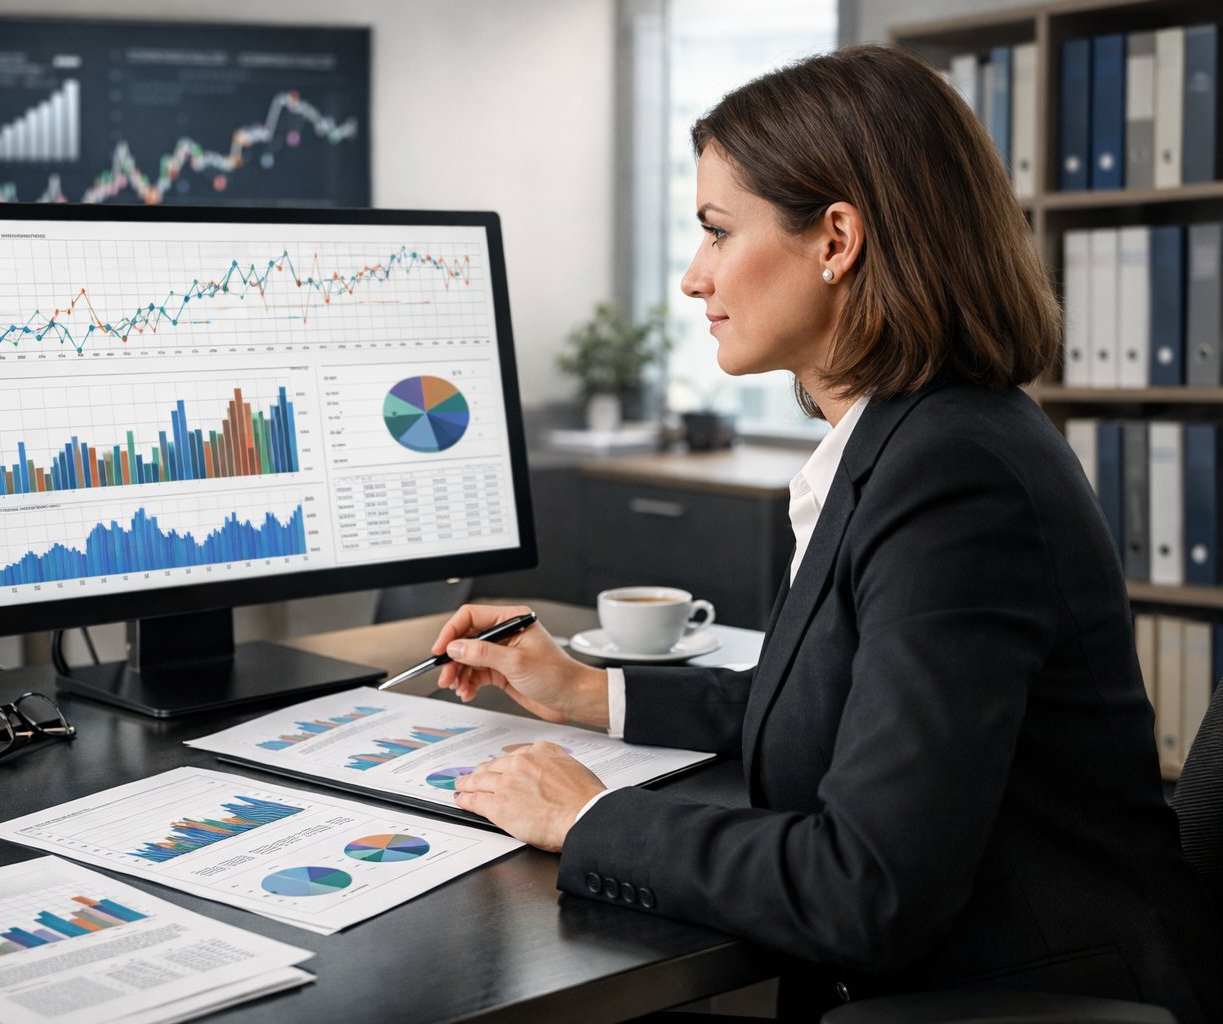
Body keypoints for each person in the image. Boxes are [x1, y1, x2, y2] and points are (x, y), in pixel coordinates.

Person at [430, 45, 1223, 1023]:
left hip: (1025, 996)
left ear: (837, 239)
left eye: (717, 231)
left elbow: (868, 887)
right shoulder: (914, 437)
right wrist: (591, 691)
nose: (693, 277)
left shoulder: (954, 476)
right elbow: (833, 700)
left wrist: (586, 814)